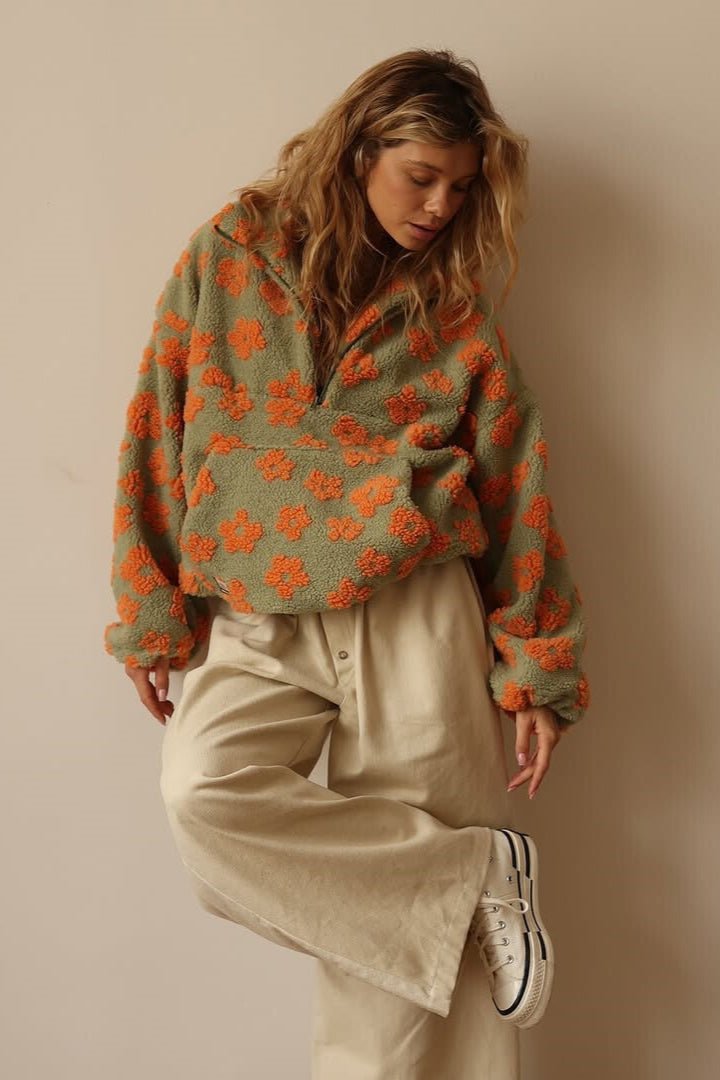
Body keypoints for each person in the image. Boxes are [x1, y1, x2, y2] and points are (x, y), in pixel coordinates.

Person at [104, 47, 590, 1079]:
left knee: (410, 985)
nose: (441, 205)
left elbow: (513, 478)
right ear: (361, 150)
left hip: (414, 604)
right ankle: (476, 873)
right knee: (204, 794)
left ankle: (469, 890)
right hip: (258, 597)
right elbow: (159, 424)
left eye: (461, 187)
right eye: (422, 176)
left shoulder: (453, 308)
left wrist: (538, 664)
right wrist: (152, 611)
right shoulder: (231, 255)